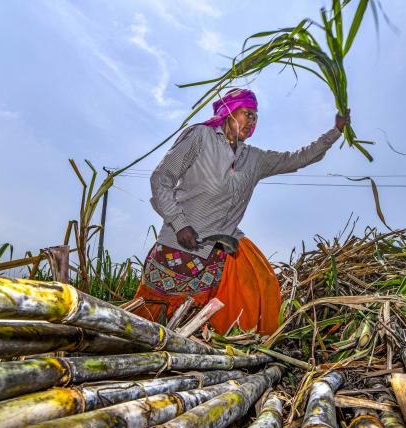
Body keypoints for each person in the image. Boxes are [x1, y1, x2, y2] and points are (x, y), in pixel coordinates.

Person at [134, 88, 350, 335]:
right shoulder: (200, 136)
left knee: (261, 280)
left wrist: (336, 131)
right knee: (153, 316)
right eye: (247, 114)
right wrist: (179, 222)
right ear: (228, 111)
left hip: (220, 248)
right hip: (179, 245)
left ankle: (244, 344)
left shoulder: (254, 159)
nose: (252, 121)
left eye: (256, 117)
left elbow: (298, 158)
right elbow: (162, 178)